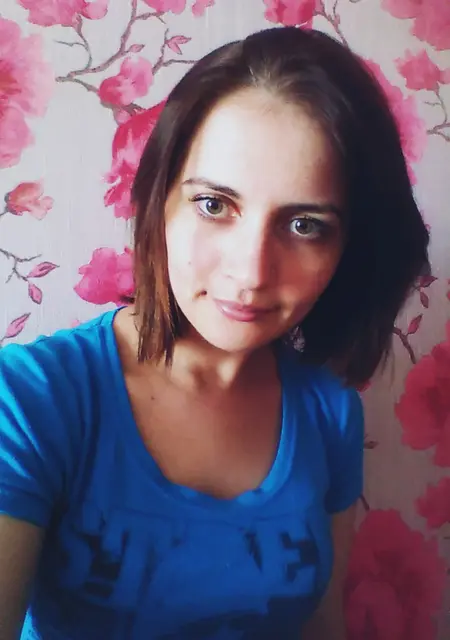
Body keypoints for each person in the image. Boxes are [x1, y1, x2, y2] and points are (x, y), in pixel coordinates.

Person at [0, 26, 429, 640]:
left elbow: (322, 625)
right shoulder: (31, 400)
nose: (250, 274)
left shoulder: (330, 412)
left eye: (305, 225)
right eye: (213, 205)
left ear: (348, 248)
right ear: (159, 203)